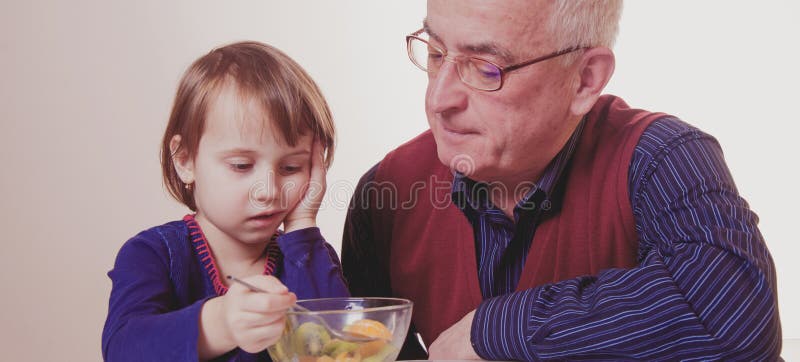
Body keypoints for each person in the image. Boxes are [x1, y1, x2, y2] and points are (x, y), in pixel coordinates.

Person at [341, 1, 782, 360]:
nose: (438, 99)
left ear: (584, 80)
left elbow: (733, 319)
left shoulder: (661, 156)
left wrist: (492, 331)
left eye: (485, 67)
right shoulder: (387, 191)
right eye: (436, 54)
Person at [102, 41, 348, 361]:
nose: (268, 190)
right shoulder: (154, 254)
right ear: (185, 160)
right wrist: (220, 324)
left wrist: (302, 224)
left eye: (291, 167)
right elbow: (122, 349)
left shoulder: (310, 255)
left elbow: (339, 346)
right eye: (241, 166)